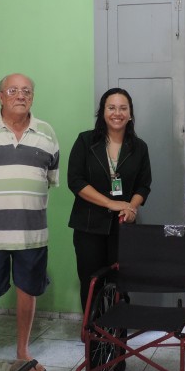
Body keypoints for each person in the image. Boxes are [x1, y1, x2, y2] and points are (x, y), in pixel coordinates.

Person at [0, 74, 59, 371]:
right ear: (0, 96)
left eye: (26, 91)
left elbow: (50, 178)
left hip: (32, 233)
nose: (20, 95)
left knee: (27, 291)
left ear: (32, 97)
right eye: (13, 90)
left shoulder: (46, 133)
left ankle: (23, 353)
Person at [68, 88, 152, 310]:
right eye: (111, 107)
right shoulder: (86, 141)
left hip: (122, 228)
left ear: (130, 113)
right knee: (92, 284)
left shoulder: (139, 147)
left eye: (123, 108)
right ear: (102, 112)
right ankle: (93, 339)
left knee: (119, 285)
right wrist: (110, 203)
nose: (117, 113)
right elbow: (75, 181)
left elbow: (144, 185)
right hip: (88, 226)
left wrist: (130, 208)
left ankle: (117, 340)